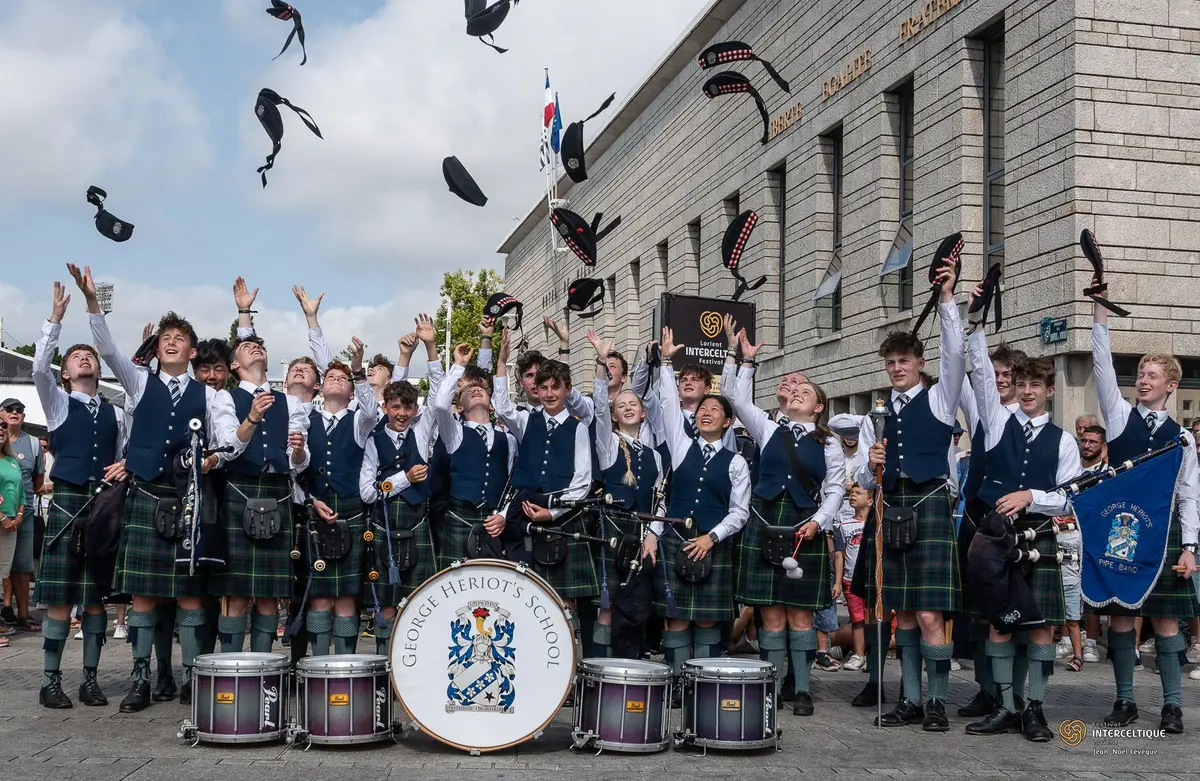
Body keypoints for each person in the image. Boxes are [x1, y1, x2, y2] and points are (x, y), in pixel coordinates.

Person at [74, 264, 231, 711]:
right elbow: (106, 348)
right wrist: (91, 302)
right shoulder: (140, 381)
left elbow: (223, 444)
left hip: (190, 499)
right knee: (143, 594)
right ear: (157, 349)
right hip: (146, 494)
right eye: (165, 337)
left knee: (190, 594)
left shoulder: (211, 394)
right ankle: (141, 679)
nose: (170, 341)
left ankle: (191, 679)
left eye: (179, 337)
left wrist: (215, 456)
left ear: (193, 350)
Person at [962, 306, 1081, 741]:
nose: (1027, 391)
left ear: (1050, 390)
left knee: (1040, 628)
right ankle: (1006, 706)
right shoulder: (996, 423)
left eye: (1036, 384)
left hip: (1041, 535)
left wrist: (1033, 495)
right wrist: (974, 326)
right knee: (998, 621)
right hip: (999, 537)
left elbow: (1070, 496)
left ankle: (1035, 709)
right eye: (1022, 383)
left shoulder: (1064, 440)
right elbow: (978, 371)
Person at [855, 257, 963, 731]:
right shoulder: (875, 414)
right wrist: (870, 464)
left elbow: (956, 354)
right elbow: (860, 475)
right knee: (899, 614)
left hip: (929, 506)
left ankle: (937, 702)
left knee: (929, 612)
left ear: (920, 363)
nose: (897, 368)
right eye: (891, 362)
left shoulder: (940, 397)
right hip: (890, 508)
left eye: (904, 361)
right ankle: (910, 699)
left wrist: (946, 299)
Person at [724, 328, 845, 716]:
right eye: (793, 392)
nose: (795, 394)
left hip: (803, 525)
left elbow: (835, 491)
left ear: (818, 408)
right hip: (764, 519)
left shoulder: (829, 443)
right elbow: (737, 398)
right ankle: (774, 688)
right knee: (771, 611)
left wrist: (820, 523)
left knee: (801, 614)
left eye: (804, 392)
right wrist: (745, 360)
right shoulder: (769, 427)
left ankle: (805, 689)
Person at [1091, 287, 1197, 733]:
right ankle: (1124, 700)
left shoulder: (1184, 438)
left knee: (1167, 618)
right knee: (1120, 614)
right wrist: (1100, 316)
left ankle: (1172, 706)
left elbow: (1191, 493)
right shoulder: (1118, 418)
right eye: (1140, 373)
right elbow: (1100, 371)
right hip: (1124, 530)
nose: (1143, 380)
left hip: (1166, 531)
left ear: (1172, 385)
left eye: (1153, 375)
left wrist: (1190, 546)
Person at [32, 278, 127, 709]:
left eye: (89, 354)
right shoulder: (56, 403)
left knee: (93, 601)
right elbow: (37, 369)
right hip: (68, 501)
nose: (84, 358)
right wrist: (55, 319)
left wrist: (124, 468)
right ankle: (50, 680)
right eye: (75, 357)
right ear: (66, 372)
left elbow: (124, 455)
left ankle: (90, 679)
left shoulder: (116, 412)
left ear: (99, 369)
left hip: (104, 505)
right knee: (58, 599)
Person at [645, 326, 750, 698]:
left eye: (714, 411)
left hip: (712, 544)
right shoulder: (680, 443)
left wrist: (711, 537)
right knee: (675, 617)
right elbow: (671, 405)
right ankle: (675, 685)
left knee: (706, 619)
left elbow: (740, 513)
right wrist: (666, 361)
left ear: (727, 422)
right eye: (702, 409)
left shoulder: (736, 462)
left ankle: (702, 684)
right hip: (675, 539)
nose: (705, 413)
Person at [209, 279, 311, 659]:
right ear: (234, 364)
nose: (255, 348)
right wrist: (250, 419)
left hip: (279, 493)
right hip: (239, 491)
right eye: (247, 346)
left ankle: (267, 669)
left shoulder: (291, 403)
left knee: (270, 596)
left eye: (259, 347)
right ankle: (233, 666)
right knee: (234, 595)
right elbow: (227, 449)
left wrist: (299, 454)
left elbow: (302, 463)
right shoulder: (224, 397)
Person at [492, 331, 596, 609]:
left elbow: (582, 481)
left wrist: (553, 512)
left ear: (566, 389)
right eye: (544, 388)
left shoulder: (579, 428)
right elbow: (501, 407)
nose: (550, 394)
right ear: (535, 390)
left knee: (565, 601)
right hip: (524, 515)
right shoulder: (527, 420)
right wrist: (502, 361)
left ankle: (568, 652)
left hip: (563, 518)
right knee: (526, 593)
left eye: (555, 388)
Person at [358, 316, 441, 655]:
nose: (402, 413)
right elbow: (367, 493)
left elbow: (438, 394)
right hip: (385, 527)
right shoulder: (373, 439)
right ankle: (382, 661)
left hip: (417, 522)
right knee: (387, 605)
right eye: (395, 406)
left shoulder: (423, 430)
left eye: (408, 407)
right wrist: (404, 479)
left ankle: (412, 664)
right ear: (386, 408)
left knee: (418, 602)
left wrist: (430, 346)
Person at [954, 341, 1026, 720]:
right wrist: (969, 318)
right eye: (993, 373)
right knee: (979, 611)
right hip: (977, 519)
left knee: (1013, 611)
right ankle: (986, 690)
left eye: (1006, 375)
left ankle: (1012, 695)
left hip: (1015, 523)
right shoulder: (981, 413)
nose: (998, 380)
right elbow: (965, 365)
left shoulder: (1026, 421)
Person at [582, 329, 663, 658]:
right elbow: (599, 407)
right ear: (615, 415)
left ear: (643, 413)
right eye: (622, 405)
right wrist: (601, 361)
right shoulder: (606, 444)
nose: (627, 407)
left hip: (641, 535)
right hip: (609, 532)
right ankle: (598, 671)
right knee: (606, 608)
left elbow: (660, 501)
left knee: (634, 607)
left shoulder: (655, 455)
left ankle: (627, 668)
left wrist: (654, 534)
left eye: (634, 404)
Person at [427, 344, 518, 569]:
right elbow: (440, 404)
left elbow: (512, 485)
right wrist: (459, 366)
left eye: (483, 390)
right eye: (469, 391)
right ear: (459, 407)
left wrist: (504, 516)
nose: (477, 390)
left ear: (492, 404)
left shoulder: (508, 440)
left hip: (493, 522)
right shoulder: (454, 433)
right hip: (457, 517)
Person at [1, 397, 45, 634]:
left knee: (22, 565)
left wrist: (19, 511)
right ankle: (6, 608)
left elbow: (37, 481)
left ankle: (23, 614)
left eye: (19, 410)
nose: (14, 413)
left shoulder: (34, 444)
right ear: (1, 415)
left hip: (24, 513)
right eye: (9, 409)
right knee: (2, 565)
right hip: (1, 514)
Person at [836, 482, 871, 673]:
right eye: (851, 493)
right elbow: (840, 555)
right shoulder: (844, 525)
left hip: (873, 580)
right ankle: (859, 655)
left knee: (874, 619)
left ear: (871, 500)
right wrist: (838, 581)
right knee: (857, 619)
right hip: (851, 579)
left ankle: (873, 654)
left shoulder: (876, 525)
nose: (853, 495)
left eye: (858, 493)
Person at [0, 417, 27, 649]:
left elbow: (22, 493)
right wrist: (2, 518)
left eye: (2, 426)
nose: (1, 429)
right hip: (2, 522)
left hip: (11, 526)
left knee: (2, 573)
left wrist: (17, 516)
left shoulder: (11, 460)